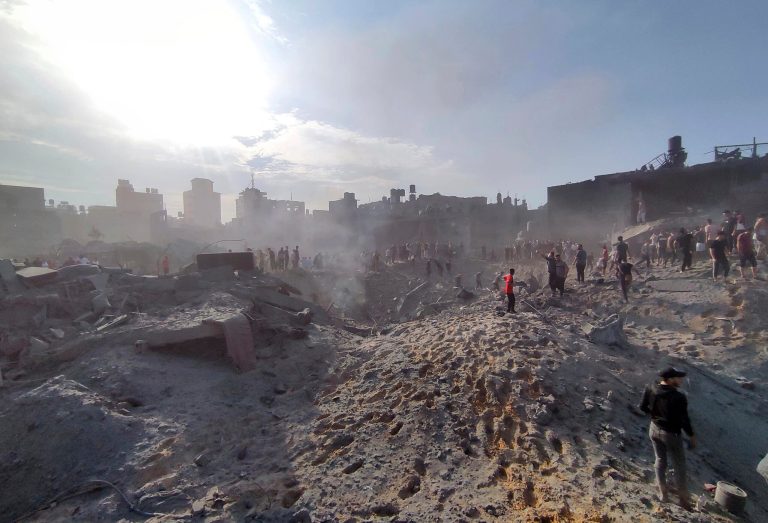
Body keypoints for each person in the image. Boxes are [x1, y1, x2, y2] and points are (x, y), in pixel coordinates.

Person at [639, 367, 695, 509]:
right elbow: (684, 420)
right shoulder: (679, 397)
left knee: (660, 460)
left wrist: (655, 415)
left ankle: (663, 494)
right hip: (671, 434)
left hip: (654, 429)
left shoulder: (651, 388)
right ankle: (683, 500)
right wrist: (691, 435)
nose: (680, 380)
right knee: (679, 465)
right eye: (677, 377)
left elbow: (642, 407)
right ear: (670, 380)